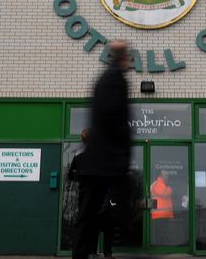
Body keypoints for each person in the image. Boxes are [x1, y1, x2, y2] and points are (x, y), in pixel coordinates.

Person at [72, 41, 132, 259]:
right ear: (123, 57)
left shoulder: (103, 78)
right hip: (107, 162)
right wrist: (124, 152)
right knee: (120, 211)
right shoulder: (116, 79)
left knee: (87, 216)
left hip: (97, 162)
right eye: (129, 57)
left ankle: (81, 254)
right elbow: (117, 118)